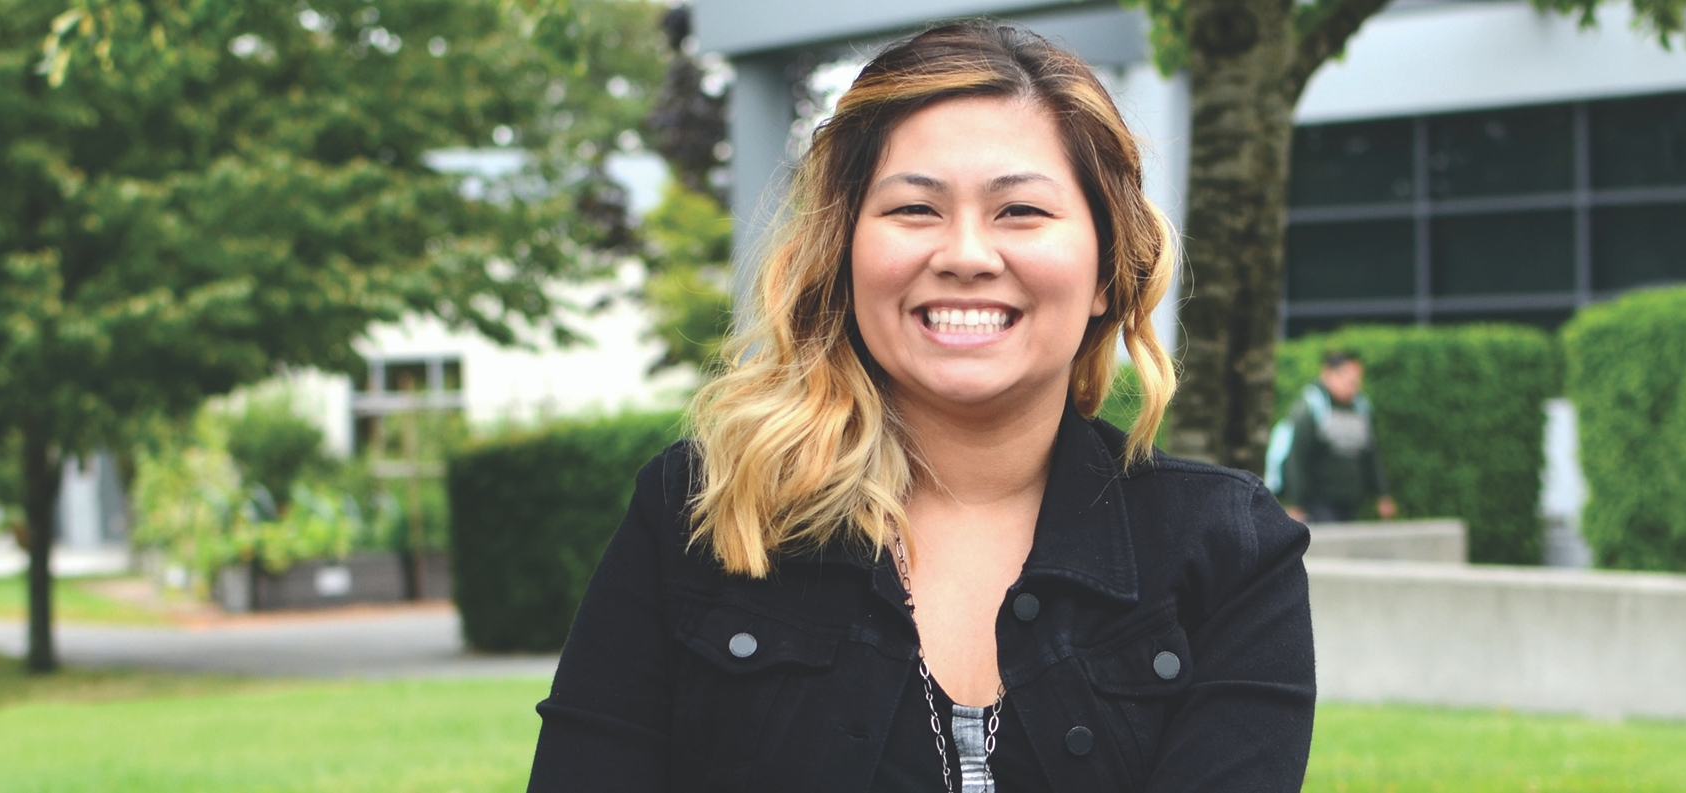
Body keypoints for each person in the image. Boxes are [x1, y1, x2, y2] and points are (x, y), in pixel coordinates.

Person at [526, 22, 1315, 793]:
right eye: (914, 210)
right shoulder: (697, 514)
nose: (966, 255)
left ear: (1108, 267)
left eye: (1021, 211)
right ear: (844, 253)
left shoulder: (1229, 553)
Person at [1269, 351, 1397, 524]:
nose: (1354, 384)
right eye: (1347, 378)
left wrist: (1382, 494)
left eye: (1357, 379)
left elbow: (1371, 454)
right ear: (1328, 374)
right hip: (1319, 503)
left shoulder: (1360, 407)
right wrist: (1296, 502)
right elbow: (1296, 458)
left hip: (1350, 501)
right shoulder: (1311, 407)